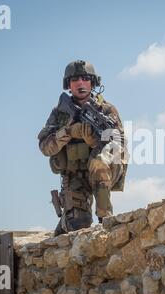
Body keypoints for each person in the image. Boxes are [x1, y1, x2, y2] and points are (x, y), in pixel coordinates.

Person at [38, 60, 127, 236]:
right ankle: (65, 222)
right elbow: (44, 147)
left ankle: (105, 220)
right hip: (75, 175)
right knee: (77, 225)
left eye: (85, 78)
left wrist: (95, 143)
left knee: (100, 160)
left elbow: (120, 147)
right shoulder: (60, 113)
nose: (80, 83)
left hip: (103, 171)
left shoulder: (107, 110)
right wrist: (69, 132)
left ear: (92, 83)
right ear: (68, 85)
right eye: (75, 79)